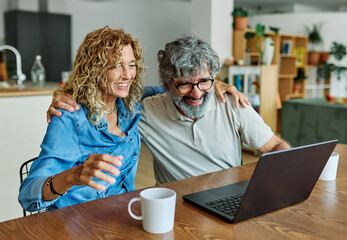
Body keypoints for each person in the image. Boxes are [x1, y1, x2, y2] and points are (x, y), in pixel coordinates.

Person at [49, 36, 288, 186]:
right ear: (166, 85)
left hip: (231, 198)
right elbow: (111, 95)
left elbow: (276, 146)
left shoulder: (232, 103)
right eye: (184, 84)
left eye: (204, 81)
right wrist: (69, 94)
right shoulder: (144, 110)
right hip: (177, 209)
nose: (196, 94)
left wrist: (271, 183)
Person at [19, 27, 145, 212]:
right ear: (94, 70)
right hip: (78, 223)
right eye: (116, 66)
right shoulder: (70, 116)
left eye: (131, 64)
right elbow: (27, 195)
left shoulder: (128, 104)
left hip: (123, 215)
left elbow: (165, 91)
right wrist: (73, 176)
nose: (128, 75)